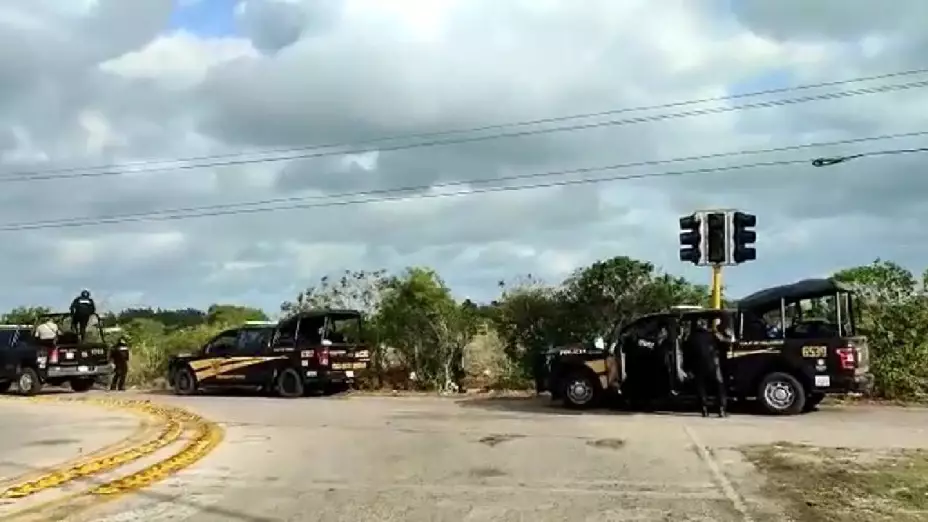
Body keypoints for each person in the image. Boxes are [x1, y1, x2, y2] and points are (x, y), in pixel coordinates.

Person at [683, 318, 728, 418]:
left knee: (701, 388)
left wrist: (687, 369)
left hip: (698, 366)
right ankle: (721, 409)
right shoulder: (712, 335)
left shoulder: (691, 338)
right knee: (719, 387)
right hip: (713, 365)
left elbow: (687, 355)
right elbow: (724, 344)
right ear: (705, 325)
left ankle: (704, 410)